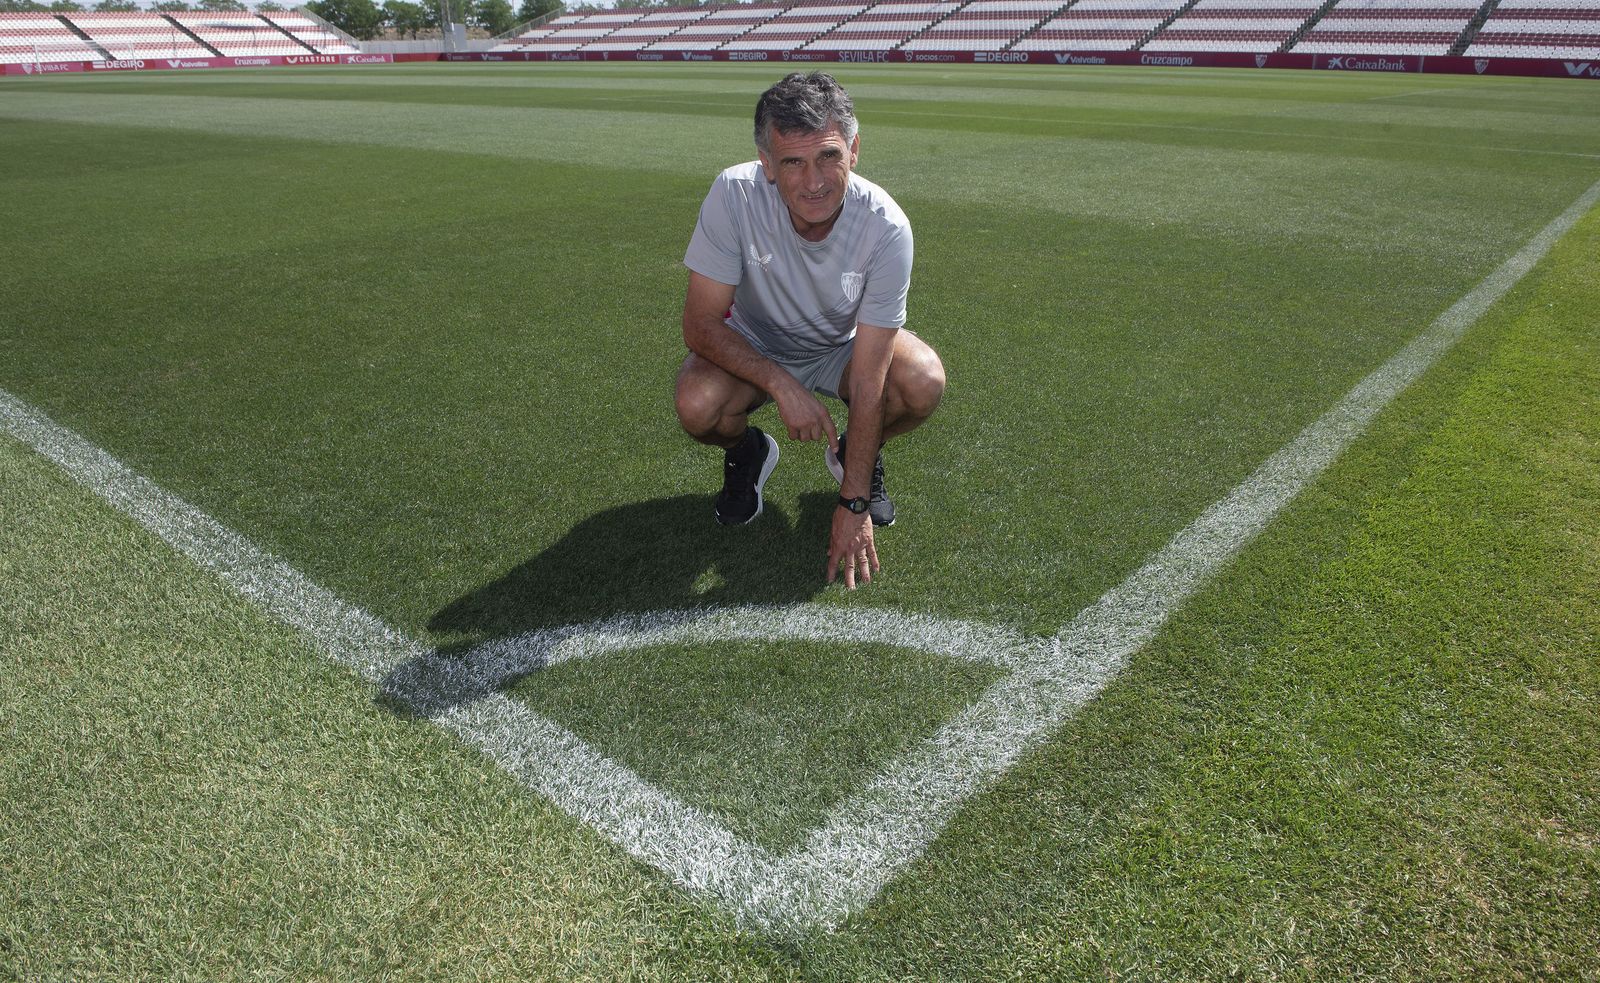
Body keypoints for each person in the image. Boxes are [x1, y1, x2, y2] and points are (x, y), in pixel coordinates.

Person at [675, 71, 945, 590]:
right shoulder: (733, 195)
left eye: (828, 156)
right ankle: (748, 453)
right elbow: (700, 323)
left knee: (921, 382)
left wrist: (854, 501)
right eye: (792, 162)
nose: (814, 180)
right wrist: (781, 384)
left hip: (840, 348)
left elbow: (869, 380)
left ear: (855, 149)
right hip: (755, 344)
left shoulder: (886, 226)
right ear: (767, 165)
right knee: (697, 404)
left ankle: (854, 456)